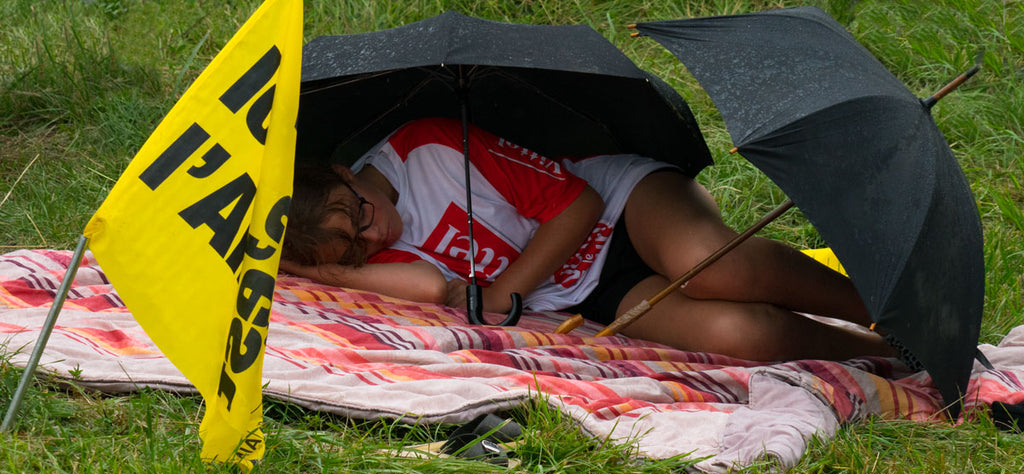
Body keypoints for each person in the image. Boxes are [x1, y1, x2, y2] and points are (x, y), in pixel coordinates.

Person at [280, 117, 894, 362]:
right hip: (591, 288)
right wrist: (328, 272)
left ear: (343, 172)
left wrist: (505, 291)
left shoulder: (428, 147)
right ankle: (884, 359)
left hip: (623, 206)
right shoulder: (361, 254)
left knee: (710, 268)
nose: (374, 234)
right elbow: (426, 285)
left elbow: (579, 204)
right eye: (353, 249)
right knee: (740, 335)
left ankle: (892, 311)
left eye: (358, 216)